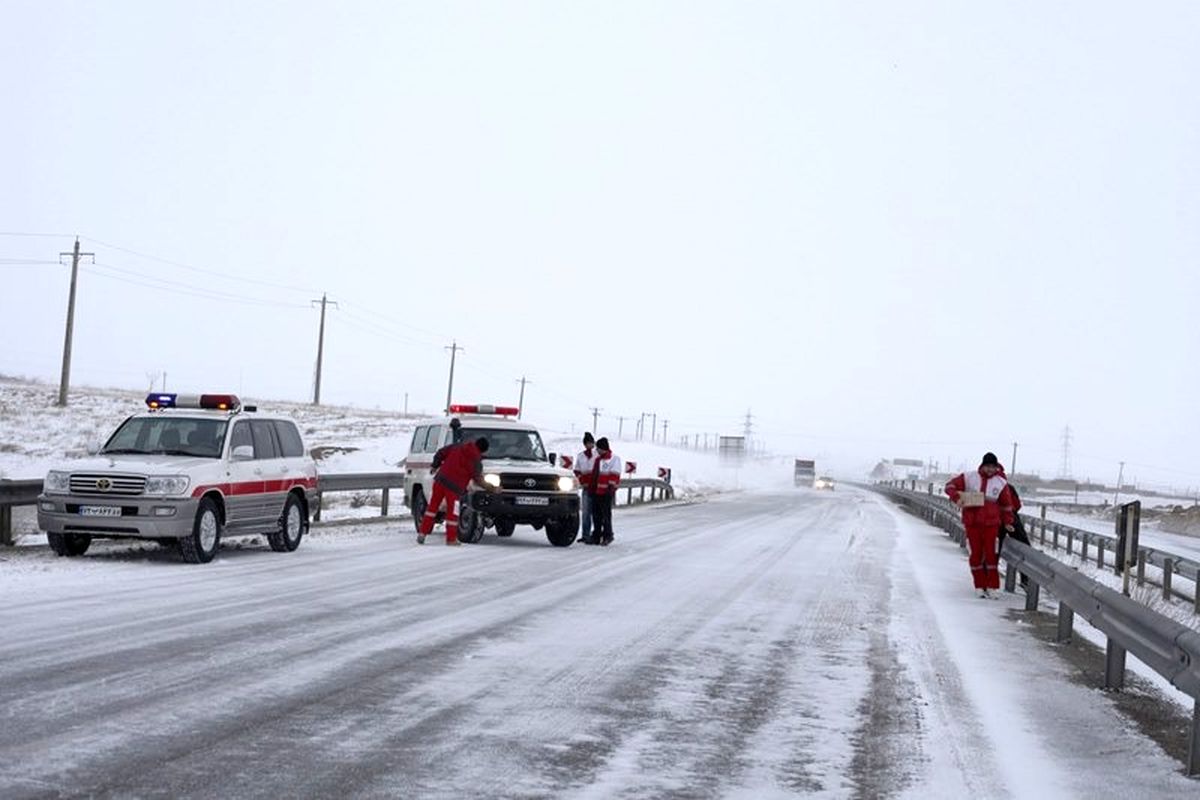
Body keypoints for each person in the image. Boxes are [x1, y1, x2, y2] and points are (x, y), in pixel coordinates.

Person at [944, 452, 1016, 598]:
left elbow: (1006, 504)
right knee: (975, 555)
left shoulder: (1000, 483)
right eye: (988, 466)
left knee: (991, 555)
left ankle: (992, 587)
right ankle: (979, 585)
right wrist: (957, 497)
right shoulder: (969, 477)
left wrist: (1008, 522)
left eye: (993, 467)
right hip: (972, 523)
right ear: (982, 465)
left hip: (991, 524)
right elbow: (949, 486)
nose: (990, 470)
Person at [418, 436, 493, 546]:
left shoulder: (458, 446)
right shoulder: (476, 460)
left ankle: (422, 534)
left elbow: (441, 452)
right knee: (453, 513)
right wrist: (492, 488)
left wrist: (435, 465)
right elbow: (478, 479)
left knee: (432, 508)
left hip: (440, 480)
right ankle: (451, 539)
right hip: (454, 488)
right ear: (483, 450)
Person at [589, 437, 622, 546]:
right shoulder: (598, 460)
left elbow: (615, 474)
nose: (597, 451)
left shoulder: (614, 459)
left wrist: (611, 488)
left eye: (598, 448)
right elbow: (595, 475)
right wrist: (591, 488)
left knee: (606, 515)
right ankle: (596, 536)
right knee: (596, 515)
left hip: (606, 492)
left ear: (603, 448)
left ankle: (608, 535)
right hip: (597, 492)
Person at [998, 483, 1031, 588]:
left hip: (994, 519)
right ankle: (1025, 579)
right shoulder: (1008, 487)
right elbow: (1017, 504)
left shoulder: (985, 485)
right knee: (1023, 548)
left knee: (993, 547)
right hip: (1011, 518)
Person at [574, 432, 598, 544]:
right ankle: (585, 535)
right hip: (586, 488)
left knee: (596, 513)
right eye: (587, 443)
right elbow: (577, 471)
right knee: (585, 513)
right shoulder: (580, 456)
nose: (590, 445)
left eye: (591, 443)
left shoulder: (598, 455)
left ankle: (596, 534)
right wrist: (582, 481)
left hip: (597, 488)